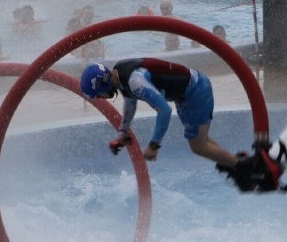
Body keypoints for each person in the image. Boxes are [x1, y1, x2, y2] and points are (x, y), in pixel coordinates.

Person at [79, 59, 240, 170]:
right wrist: (122, 132)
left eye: (98, 95)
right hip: (185, 93)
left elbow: (164, 110)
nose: (100, 98)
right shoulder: (119, 74)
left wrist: (154, 145)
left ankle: (244, 169)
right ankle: (236, 164)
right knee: (199, 139)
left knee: (198, 146)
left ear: (102, 85)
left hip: (196, 90)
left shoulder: (135, 81)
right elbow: (130, 103)